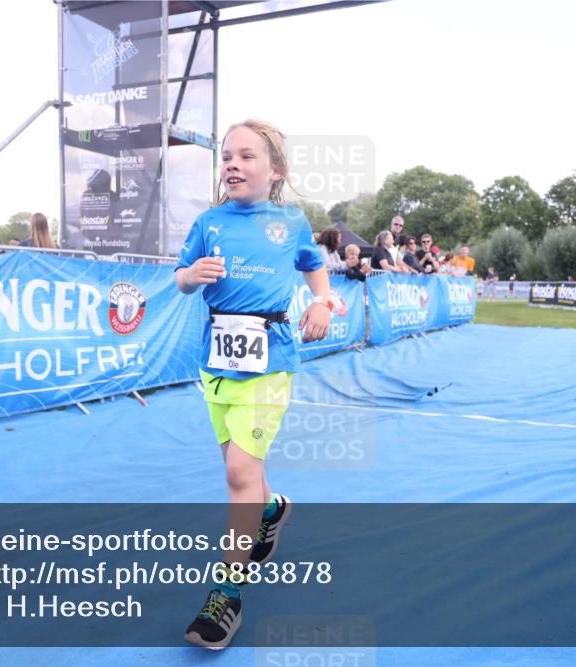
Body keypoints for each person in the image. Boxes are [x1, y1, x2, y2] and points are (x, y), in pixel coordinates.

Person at [175, 119, 331, 650]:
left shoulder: (291, 223)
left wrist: (321, 302)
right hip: (215, 365)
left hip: (269, 363)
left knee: (240, 472)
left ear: (275, 170)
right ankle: (271, 510)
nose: (233, 165)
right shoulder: (209, 222)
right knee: (243, 469)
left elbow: (315, 268)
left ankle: (227, 595)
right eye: (226, 157)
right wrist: (191, 276)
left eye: (246, 156)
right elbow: (180, 276)